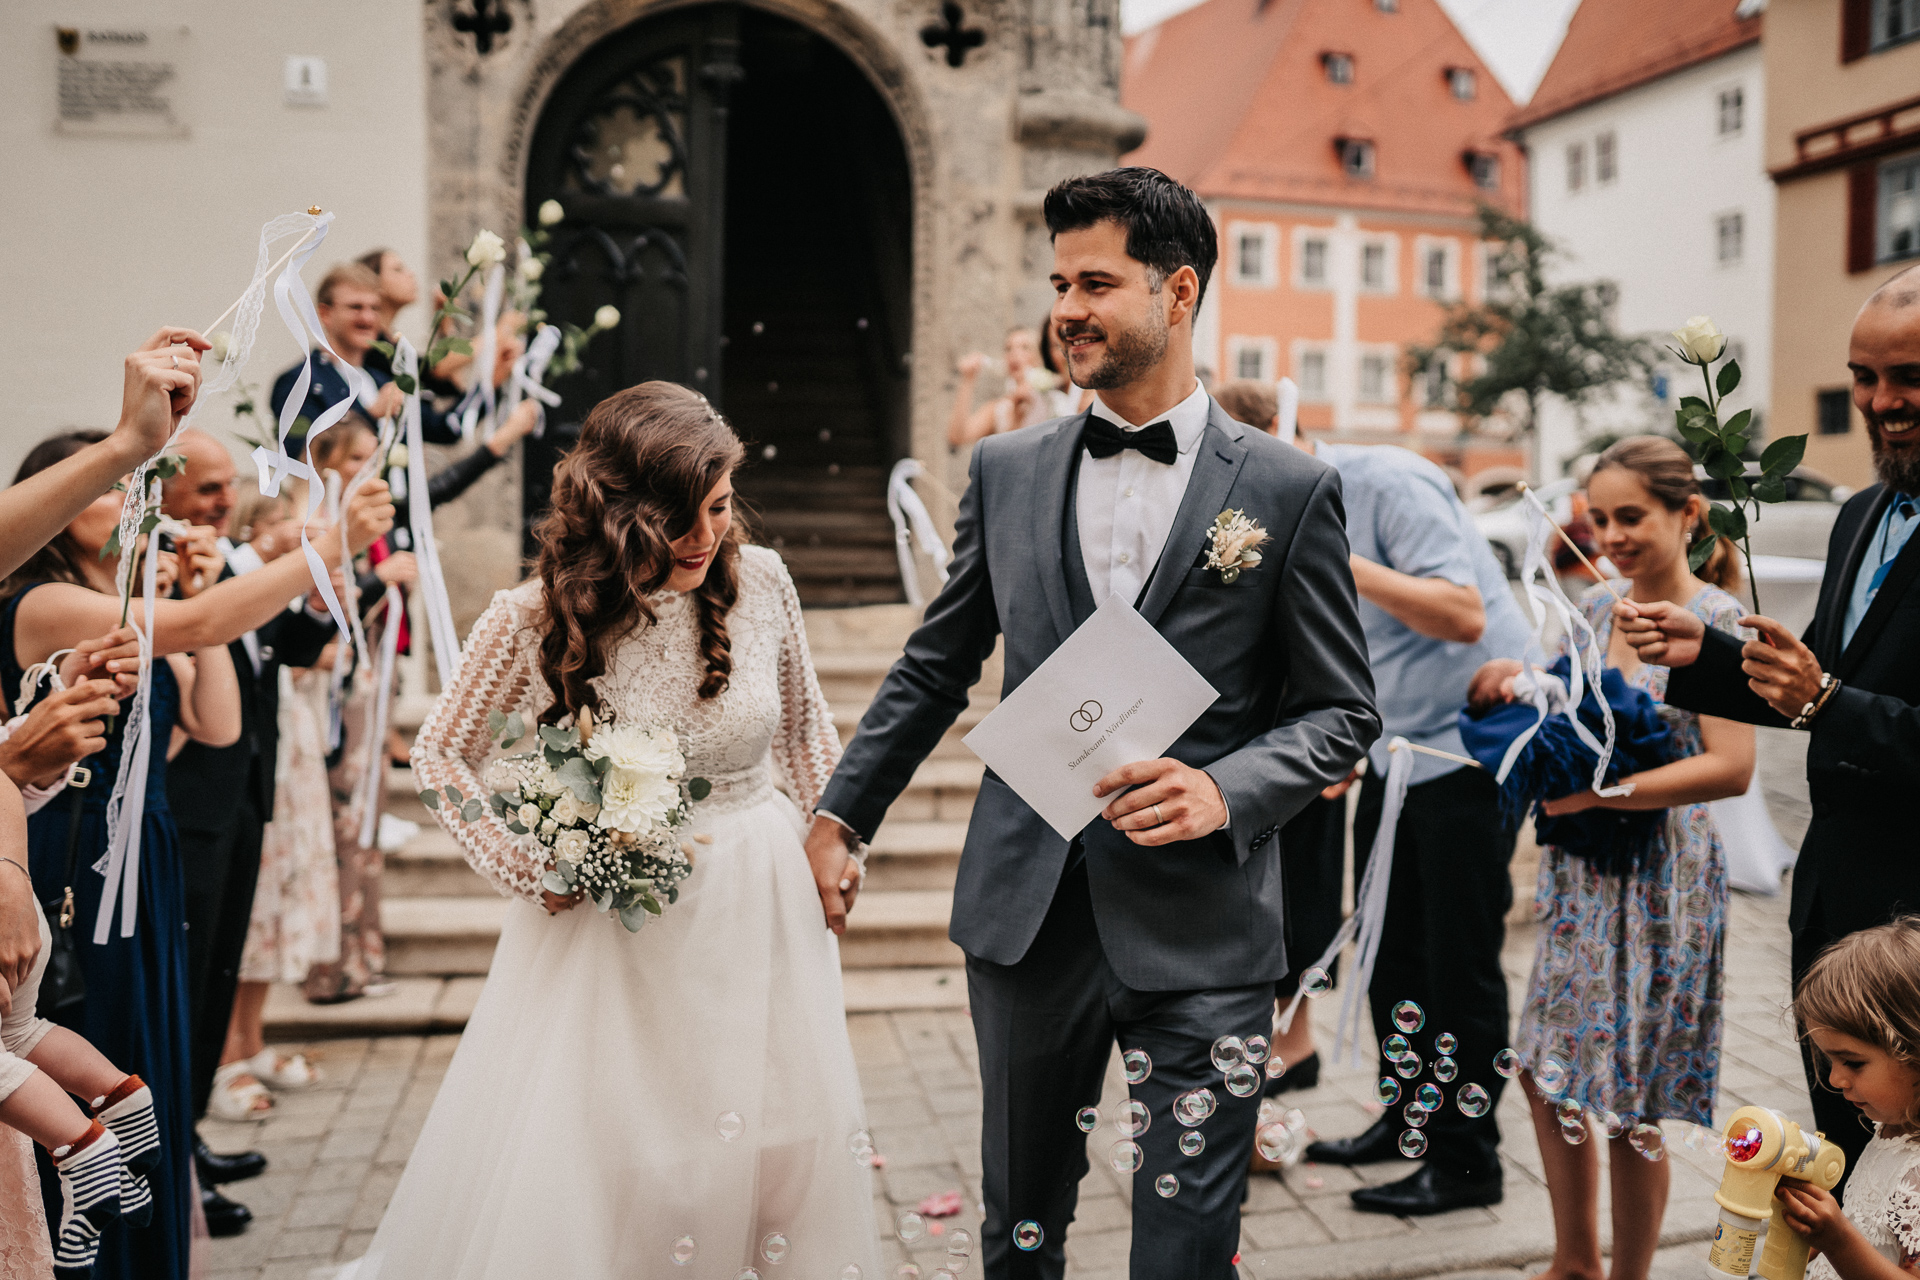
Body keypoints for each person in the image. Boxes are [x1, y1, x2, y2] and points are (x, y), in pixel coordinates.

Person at [811, 167, 1379, 1277]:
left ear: (1179, 290)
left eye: (1097, 283)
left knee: (1188, 1248)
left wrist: (1226, 788)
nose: (1067, 308)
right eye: (1060, 283)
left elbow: (1343, 710)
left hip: (1206, 925)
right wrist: (843, 813)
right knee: (1019, 1230)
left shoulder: (1287, 488)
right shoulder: (1007, 469)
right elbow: (936, 664)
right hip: (1028, 914)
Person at [334, 381, 879, 1278]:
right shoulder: (533, 616)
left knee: (780, 1141)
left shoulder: (764, 581)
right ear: (618, 510)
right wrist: (527, 864)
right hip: (622, 922)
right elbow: (439, 758)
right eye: (678, 515)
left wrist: (836, 839)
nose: (705, 535)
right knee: (636, 1156)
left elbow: (805, 729)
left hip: (762, 896)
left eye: (718, 506)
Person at [5, 430, 390, 1280]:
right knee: (86, 1038)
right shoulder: (42, 603)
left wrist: (196, 591)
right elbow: (203, 625)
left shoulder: (120, 600)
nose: (135, 503)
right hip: (76, 864)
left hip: (146, 857)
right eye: (112, 488)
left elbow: (216, 723)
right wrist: (330, 547)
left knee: (150, 1052)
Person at [1618, 268, 1920, 1190]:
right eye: (1863, 377)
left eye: (1908, 376)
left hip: (1916, 920)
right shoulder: (1862, 513)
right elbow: (1816, 673)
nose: (1881, 401)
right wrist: (1702, 653)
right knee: (1847, 1160)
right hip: (1835, 902)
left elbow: (1828, 696)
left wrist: (1828, 701)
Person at [1474, 436, 1754, 1280]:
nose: (1612, 535)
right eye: (1599, 518)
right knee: (1545, 1071)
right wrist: (1517, 689)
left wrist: (1599, 796)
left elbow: (1732, 768)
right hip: (1585, 871)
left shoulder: (1719, 621)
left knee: (1634, 1102)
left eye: (1631, 515)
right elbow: (1569, 716)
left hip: (1663, 876)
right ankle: (1574, 1262)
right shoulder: (1596, 607)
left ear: (1687, 513)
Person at [1291, 433, 1534, 1216]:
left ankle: (1468, 1164)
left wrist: (1332, 557)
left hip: (1472, 747)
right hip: (1396, 752)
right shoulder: (1280, 503)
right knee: (1389, 954)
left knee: (1456, 964)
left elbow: (1461, 613)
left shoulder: (1389, 480)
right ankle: (1406, 1124)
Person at [157, 429, 338, 1236]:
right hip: (187, 808)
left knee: (217, 972)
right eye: (206, 489)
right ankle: (173, 1157)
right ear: (160, 490)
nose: (223, 501)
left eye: (228, 485)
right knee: (188, 982)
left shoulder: (225, 565)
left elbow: (294, 644)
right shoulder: (166, 570)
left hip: (242, 799)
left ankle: (188, 1141)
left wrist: (321, 590)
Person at [1778, 917, 1920, 1280]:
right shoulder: (1892, 1128)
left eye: (1853, 1063)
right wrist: (1813, 1232)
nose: (1834, 1079)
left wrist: (1838, 1241)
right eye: (1831, 1061)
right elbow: (1869, 1228)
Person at [268, 263, 460, 450]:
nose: (367, 318)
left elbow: (446, 429)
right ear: (325, 314)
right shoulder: (300, 382)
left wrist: (452, 336)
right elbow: (300, 451)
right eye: (356, 307)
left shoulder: (380, 379)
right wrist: (371, 414)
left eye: (375, 308)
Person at [946, 323, 1083, 448]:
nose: (1014, 354)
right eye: (1008, 348)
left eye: (1025, 347)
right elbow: (957, 437)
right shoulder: (999, 409)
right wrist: (968, 379)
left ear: (1038, 355)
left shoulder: (1056, 400)